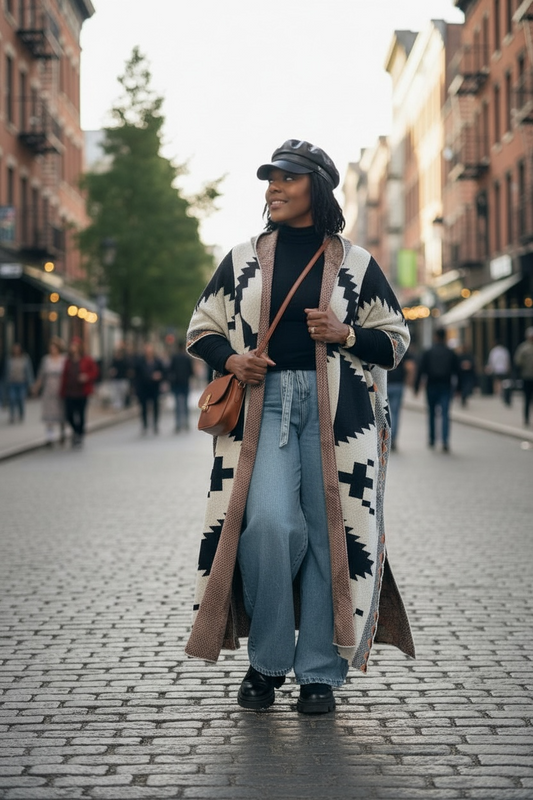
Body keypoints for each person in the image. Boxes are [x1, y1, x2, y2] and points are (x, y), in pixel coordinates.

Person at [185, 139, 415, 714]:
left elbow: (395, 339)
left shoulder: (357, 263)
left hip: (340, 416)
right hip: (262, 409)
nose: (274, 189)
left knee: (328, 536)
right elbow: (201, 327)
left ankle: (317, 672)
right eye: (270, 180)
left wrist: (345, 335)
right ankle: (266, 662)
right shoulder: (242, 260)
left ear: (317, 186)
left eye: (287, 179)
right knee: (267, 524)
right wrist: (232, 359)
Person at [414, 328, 460, 453]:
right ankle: (445, 440)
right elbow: (457, 371)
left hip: (431, 385)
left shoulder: (428, 352)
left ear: (435, 337)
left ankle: (432, 438)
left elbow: (421, 370)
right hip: (446, 385)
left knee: (432, 413)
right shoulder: (450, 353)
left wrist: (416, 387)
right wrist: (459, 389)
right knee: (445, 413)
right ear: (445, 337)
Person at [60, 337, 99, 447]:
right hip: (70, 391)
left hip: (82, 392)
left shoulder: (87, 359)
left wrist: (87, 377)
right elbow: (64, 376)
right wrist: (62, 391)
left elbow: (95, 372)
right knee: (69, 415)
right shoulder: (68, 361)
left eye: (75, 346)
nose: (73, 348)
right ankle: (77, 431)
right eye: (72, 346)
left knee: (81, 414)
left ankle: (79, 435)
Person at [32, 337, 67, 445]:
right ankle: (50, 437)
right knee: (49, 414)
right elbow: (41, 375)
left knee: (61, 412)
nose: (52, 350)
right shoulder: (46, 360)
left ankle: (62, 433)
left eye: (55, 348)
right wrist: (36, 387)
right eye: (51, 348)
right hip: (49, 389)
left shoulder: (64, 359)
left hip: (60, 389)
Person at [387, 348, 415, 451]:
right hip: (398, 384)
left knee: (383, 411)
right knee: (395, 413)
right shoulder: (402, 347)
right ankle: (393, 438)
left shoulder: (383, 342)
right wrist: (409, 380)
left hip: (384, 383)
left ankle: (384, 438)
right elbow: (410, 367)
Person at [135, 343, 165, 434]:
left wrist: (159, 376)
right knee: (143, 407)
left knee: (155, 406)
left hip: (154, 387)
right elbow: (137, 375)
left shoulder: (157, 361)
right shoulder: (140, 362)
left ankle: (155, 424)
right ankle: (145, 424)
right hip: (143, 387)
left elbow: (163, 372)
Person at [167, 342, 194, 432]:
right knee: (185, 404)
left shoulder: (174, 358)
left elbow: (170, 370)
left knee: (178, 404)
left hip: (176, 383)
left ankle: (178, 424)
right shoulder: (187, 358)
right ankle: (186, 422)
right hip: (185, 383)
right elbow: (191, 372)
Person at [5, 343, 34, 423]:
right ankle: (12, 415)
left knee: (21, 399)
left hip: (22, 383)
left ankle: (21, 414)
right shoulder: (10, 359)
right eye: (14, 349)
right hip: (12, 383)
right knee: (12, 398)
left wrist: (31, 384)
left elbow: (29, 372)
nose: (16, 351)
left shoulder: (25, 359)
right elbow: (6, 372)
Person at [514, 327, 533, 426]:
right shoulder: (523, 348)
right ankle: (526, 418)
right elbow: (518, 361)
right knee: (527, 399)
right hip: (527, 377)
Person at [108, 344, 131, 410]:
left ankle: (122, 404)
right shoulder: (114, 361)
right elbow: (111, 369)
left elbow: (128, 370)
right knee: (115, 393)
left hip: (123, 379)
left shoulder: (125, 361)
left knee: (122, 393)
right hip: (116, 379)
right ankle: (117, 405)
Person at [456, 343, 477, 407]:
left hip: (468, 375)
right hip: (462, 375)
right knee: (463, 387)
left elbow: (473, 364)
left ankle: (464, 397)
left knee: (467, 387)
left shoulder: (470, 356)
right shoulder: (460, 356)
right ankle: (463, 397)